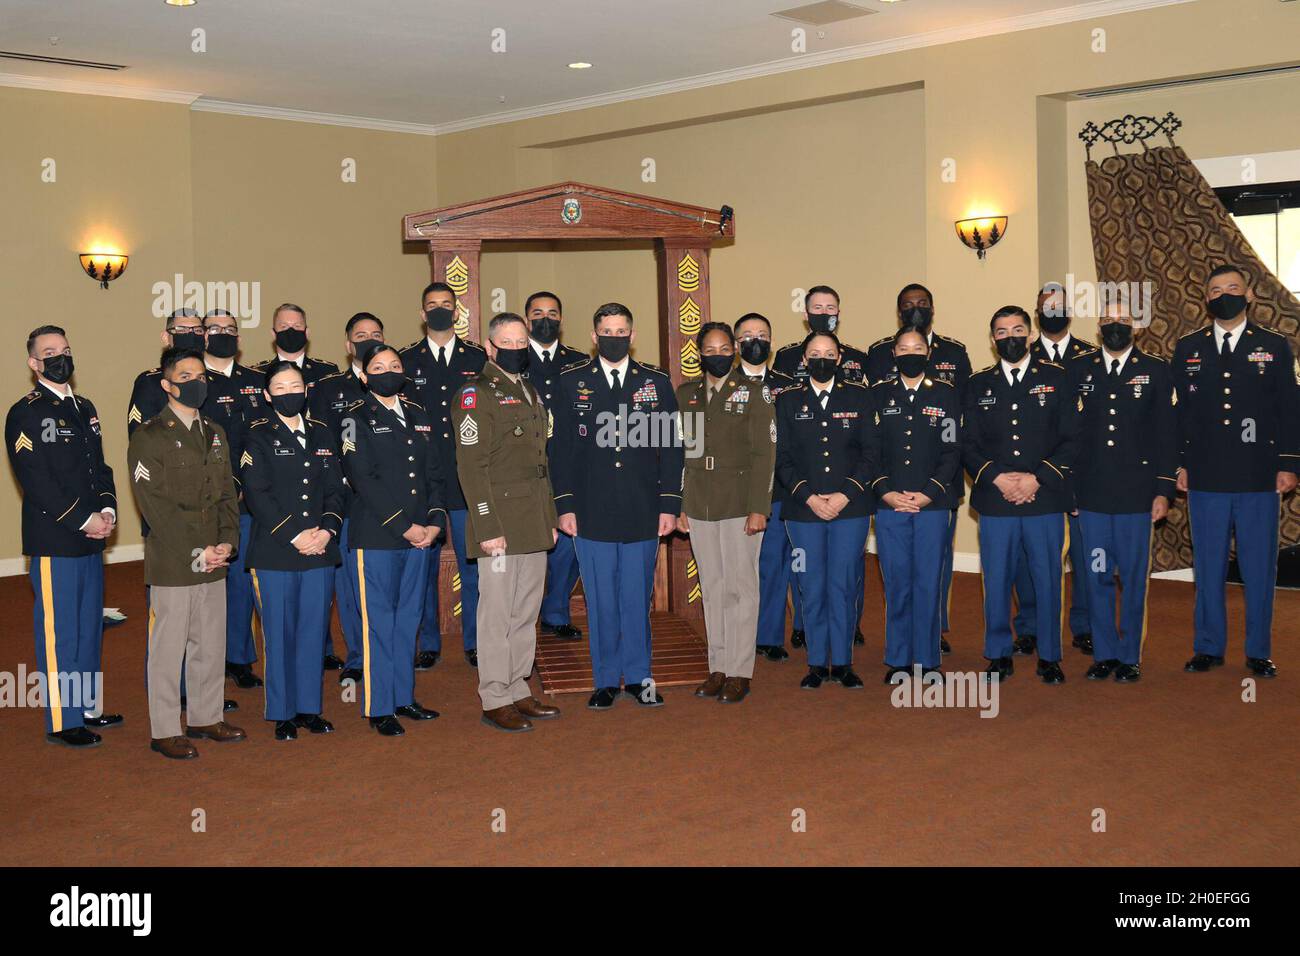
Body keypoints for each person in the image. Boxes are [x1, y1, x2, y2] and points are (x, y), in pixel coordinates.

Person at [551, 302, 684, 709]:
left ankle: (641, 677)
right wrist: (565, 505)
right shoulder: (571, 382)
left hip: (643, 508)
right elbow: (560, 449)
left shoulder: (655, 382)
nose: (614, 337)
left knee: (636, 598)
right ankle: (606, 679)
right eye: (606, 331)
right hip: (590, 510)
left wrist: (669, 504)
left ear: (632, 334)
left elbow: (672, 445)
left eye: (621, 330)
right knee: (601, 599)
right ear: (594, 337)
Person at [1173, 264, 1299, 678]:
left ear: (1249, 296)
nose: (1223, 294)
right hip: (1206, 475)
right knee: (1207, 565)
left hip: (1258, 475)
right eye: (1215, 289)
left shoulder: (1274, 346)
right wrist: (1180, 464)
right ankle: (1208, 646)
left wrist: (1288, 464)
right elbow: (1181, 416)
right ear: (1205, 299)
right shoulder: (1188, 347)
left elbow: (1289, 409)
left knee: (1259, 566)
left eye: (1232, 288)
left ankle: (1258, 650)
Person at [128, 347, 245, 759]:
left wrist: (227, 543)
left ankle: (205, 715)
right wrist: (199, 550)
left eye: (200, 375)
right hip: (175, 558)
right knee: (168, 647)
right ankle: (163, 729)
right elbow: (153, 505)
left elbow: (229, 494)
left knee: (210, 642)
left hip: (216, 553)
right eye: (185, 376)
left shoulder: (215, 432)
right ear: (167, 384)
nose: (195, 382)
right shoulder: (150, 435)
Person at [6, 325, 120, 747]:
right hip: (56, 538)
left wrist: (107, 509)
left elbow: (100, 468)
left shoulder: (85, 406)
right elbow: (35, 480)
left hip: (91, 537)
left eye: (66, 350)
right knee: (60, 632)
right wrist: (83, 519)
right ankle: (63, 718)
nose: (60, 357)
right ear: (34, 363)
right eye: (50, 352)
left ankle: (88, 706)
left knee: (90, 626)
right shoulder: (26, 412)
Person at [452, 313, 562, 732]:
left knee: (524, 611)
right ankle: (495, 695)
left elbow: (541, 464)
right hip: (497, 522)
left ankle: (518, 686)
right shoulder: (475, 394)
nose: (517, 348)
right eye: (509, 342)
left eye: (523, 341)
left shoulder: (529, 390)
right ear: (490, 346)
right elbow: (471, 468)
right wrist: (486, 527)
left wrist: (548, 517)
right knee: (497, 613)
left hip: (532, 519)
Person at [963, 306, 1079, 684]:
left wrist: (1037, 479)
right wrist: (997, 478)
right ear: (993, 339)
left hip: (1043, 498)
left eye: (1017, 329)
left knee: (1047, 577)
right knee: (996, 579)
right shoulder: (979, 384)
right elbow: (968, 443)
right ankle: (998, 653)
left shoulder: (1058, 378)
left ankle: (1049, 654)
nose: (1009, 336)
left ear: (1030, 336)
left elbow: (1071, 438)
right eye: (1001, 331)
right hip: (996, 500)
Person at [1068, 300, 1176, 683]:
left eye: (1123, 320)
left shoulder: (1156, 370)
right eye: (1108, 319)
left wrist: (1164, 490)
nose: (1116, 325)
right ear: (1098, 327)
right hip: (1092, 496)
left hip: (1136, 496)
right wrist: (1071, 491)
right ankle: (1105, 652)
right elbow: (1071, 437)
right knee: (1095, 575)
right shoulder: (1080, 369)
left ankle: (1130, 655)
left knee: (1132, 578)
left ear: (1137, 327)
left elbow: (1167, 435)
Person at [341, 343, 445, 735]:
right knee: (379, 622)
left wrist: (434, 523)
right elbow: (363, 478)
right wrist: (405, 526)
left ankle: (404, 696)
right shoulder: (354, 419)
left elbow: (434, 473)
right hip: (380, 535)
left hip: (421, 536)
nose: (388, 371)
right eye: (378, 366)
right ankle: (379, 705)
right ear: (364, 376)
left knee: (408, 620)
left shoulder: (419, 415)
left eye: (395, 365)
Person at [241, 361, 346, 739]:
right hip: (276, 551)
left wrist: (328, 530)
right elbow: (257, 492)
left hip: (320, 548)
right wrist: (296, 535)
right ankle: (282, 712)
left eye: (296, 386)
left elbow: (336, 488)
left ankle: (308, 708)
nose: (290, 393)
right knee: (279, 632)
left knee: (312, 631)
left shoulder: (321, 432)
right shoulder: (257, 435)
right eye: (281, 388)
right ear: (268, 396)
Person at [865, 283, 971, 654]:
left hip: (934, 503)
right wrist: (887, 492)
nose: (912, 354)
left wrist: (928, 493)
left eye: (918, 349)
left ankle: (927, 658)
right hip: (889, 502)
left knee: (928, 581)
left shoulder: (945, 395)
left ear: (929, 352)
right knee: (896, 582)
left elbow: (952, 448)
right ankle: (897, 656)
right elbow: (869, 451)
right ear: (894, 354)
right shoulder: (877, 395)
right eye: (904, 349)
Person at [676, 322, 775, 703]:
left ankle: (740, 670)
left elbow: (763, 456)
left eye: (723, 348)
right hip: (700, 502)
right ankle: (717, 666)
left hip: (739, 503)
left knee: (740, 589)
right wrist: (681, 505)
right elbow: (682, 452)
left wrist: (758, 509)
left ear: (734, 349)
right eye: (709, 349)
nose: (716, 355)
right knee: (713, 588)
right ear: (698, 352)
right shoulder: (687, 395)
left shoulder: (754, 393)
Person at [775, 332, 878, 690]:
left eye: (828, 354)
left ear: (839, 359)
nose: (821, 359)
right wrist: (811, 497)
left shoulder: (861, 396)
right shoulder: (787, 401)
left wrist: (843, 495)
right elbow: (781, 458)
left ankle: (844, 662)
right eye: (814, 354)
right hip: (803, 513)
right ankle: (817, 662)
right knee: (810, 584)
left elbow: (870, 454)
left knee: (844, 584)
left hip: (850, 511)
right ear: (804, 360)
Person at [399, 282, 487, 669]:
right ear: (422, 314)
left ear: (457, 311)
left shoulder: (478, 357)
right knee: (424, 565)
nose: (439, 311)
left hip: (467, 476)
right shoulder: (406, 360)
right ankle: (428, 642)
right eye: (431, 305)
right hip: (423, 479)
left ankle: (475, 640)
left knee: (473, 564)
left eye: (446, 305)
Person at [1012, 284, 1094, 657]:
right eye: (1047, 307)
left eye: (1060, 306)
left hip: (1078, 476)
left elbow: (1086, 429)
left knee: (1083, 557)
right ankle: (1029, 627)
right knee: (1028, 561)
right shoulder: (1022, 354)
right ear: (1037, 313)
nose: (1054, 311)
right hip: (1033, 480)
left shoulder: (1089, 357)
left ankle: (1083, 625)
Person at [311, 312, 384, 685]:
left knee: (383, 583)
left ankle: (385, 651)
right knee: (351, 585)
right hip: (348, 501)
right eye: (360, 335)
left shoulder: (395, 383)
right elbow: (322, 444)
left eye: (375, 334)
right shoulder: (328, 389)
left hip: (389, 503)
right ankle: (358, 655)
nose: (368, 339)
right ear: (347, 345)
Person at [202, 309, 268, 691]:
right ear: (203, 335)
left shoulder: (256, 380)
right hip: (208, 499)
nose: (223, 335)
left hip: (250, 499)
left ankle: (240, 659)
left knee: (243, 583)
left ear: (239, 339)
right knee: (210, 587)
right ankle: (209, 663)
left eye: (230, 329)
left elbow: (264, 437)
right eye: (215, 329)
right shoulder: (192, 378)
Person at [735, 313, 803, 661]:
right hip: (735, 494)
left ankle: (769, 636)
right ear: (736, 345)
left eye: (762, 334)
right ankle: (738, 637)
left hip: (778, 490)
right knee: (739, 569)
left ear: (772, 343)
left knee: (775, 565)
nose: (755, 341)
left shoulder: (788, 386)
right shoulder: (722, 385)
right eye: (747, 335)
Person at [522, 291, 588, 641]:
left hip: (571, 466)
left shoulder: (578, 362)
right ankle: (523, 619)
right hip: (523, 467)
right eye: (537, 313)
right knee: (529, 545)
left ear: (562, 319)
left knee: (568, 542)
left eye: (552, 312)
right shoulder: (513, 359)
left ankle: (556, 611)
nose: (545, 319)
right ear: (526, 318)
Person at [251, 303, 340, 393]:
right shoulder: (257, 373)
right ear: (273, 334)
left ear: (307, 333)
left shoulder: (327, 372)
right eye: (284, 326)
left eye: (297, 326)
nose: (291, 331)